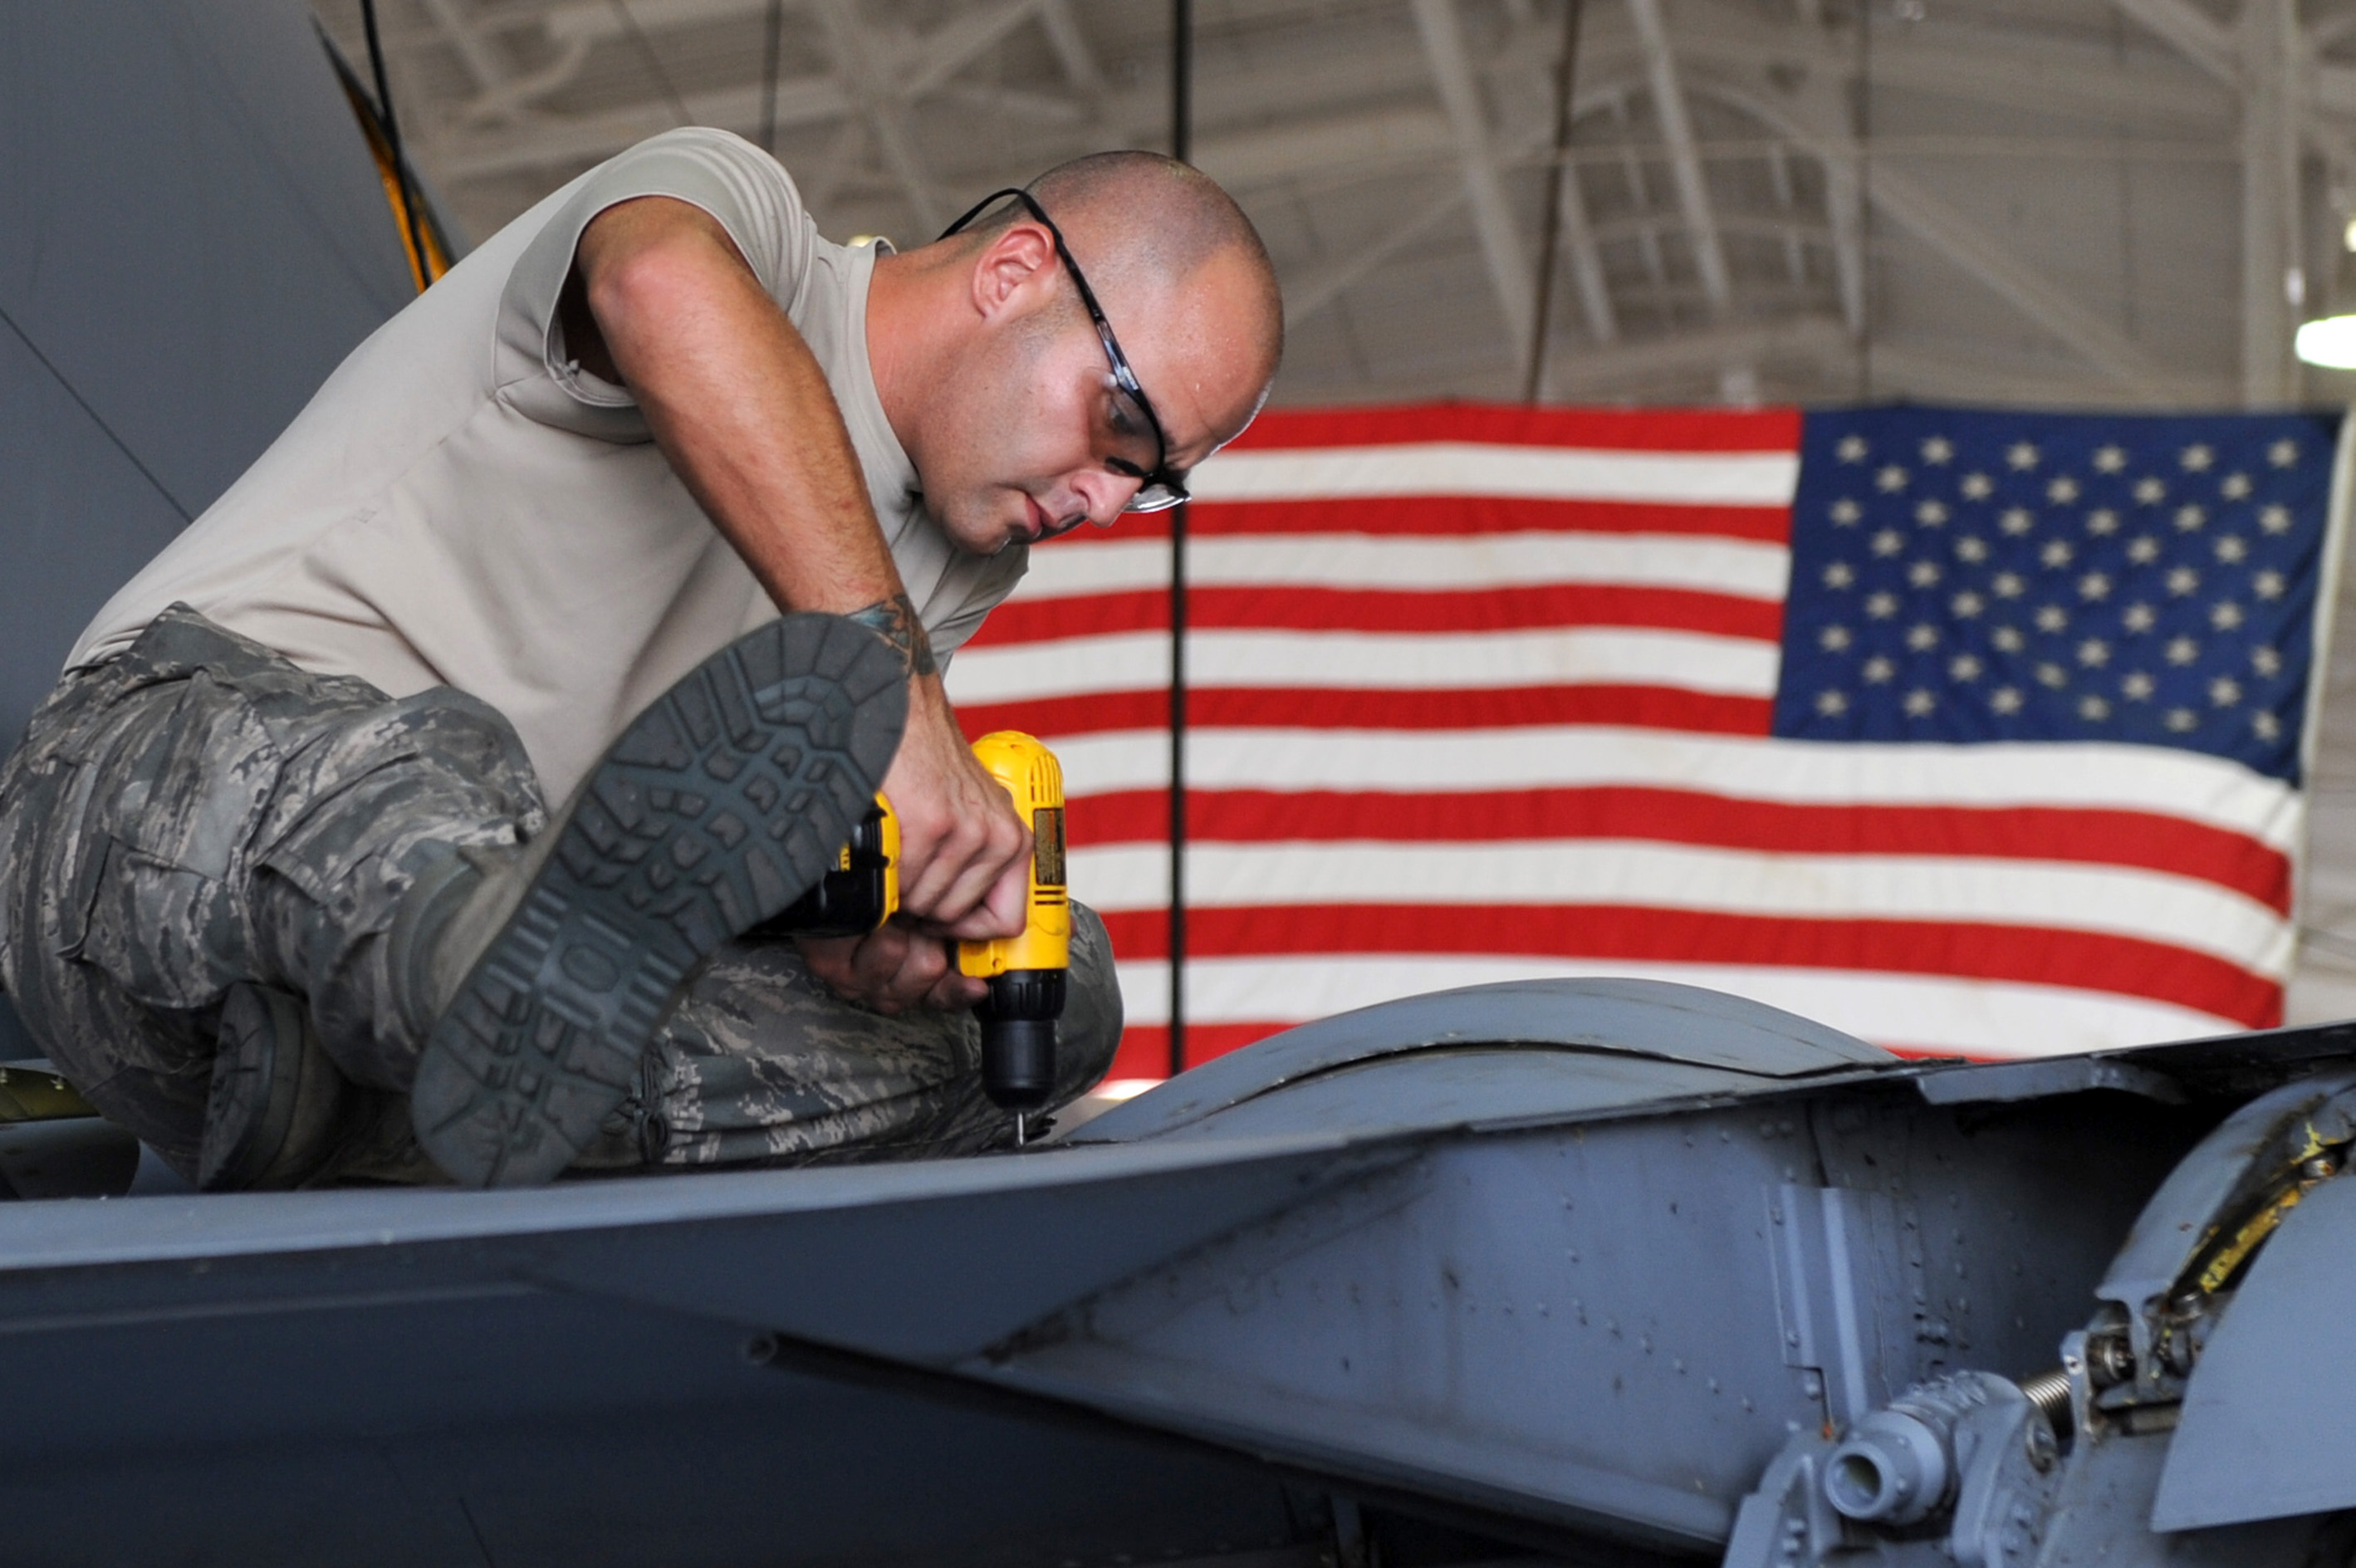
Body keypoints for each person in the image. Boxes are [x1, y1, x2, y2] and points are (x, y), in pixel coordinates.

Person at [0, 130, 1283, 1188]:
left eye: (1152, 482)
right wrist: (897, 689)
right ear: (1012, 272)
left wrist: (863, 938)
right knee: (435, 775)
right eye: (1118, 423)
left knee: (1054, 1003)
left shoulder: (962, 560)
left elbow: (684, 875)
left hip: (284, 1077)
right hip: (142, 837)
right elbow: (654, 285)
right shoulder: (744, 223)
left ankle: (426, 1108)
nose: (1107, 504)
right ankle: (460, 1031)